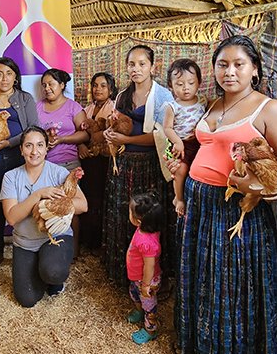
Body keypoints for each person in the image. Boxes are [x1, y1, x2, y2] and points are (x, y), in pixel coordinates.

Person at [173, 35, 277, 354]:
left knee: (232, 283)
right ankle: (203, 347)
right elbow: (206, 147)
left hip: (237, 209)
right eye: (222, 64)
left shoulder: (269, 109)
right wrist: (183, 160)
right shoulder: (213, 105)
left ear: (254, 69)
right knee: (205, 277)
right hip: (200, 202)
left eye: (238, 64)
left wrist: (253, 187)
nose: (229, 71)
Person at [102, 45, 173, 287]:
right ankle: (126, 273)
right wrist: (111, 134)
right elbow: (117, 125)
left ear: (153, 66)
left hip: (151, 165)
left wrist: (127, 140)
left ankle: (151, 278)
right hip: (124, 164)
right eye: (132, 64)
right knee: (125, 214)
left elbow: (162, 135)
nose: (136, 69)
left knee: (148, 218)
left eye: (142, 64)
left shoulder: (163, 97)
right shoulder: (122, 96)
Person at [0, 126, 87, 308]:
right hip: (25, 242)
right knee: (27, 299)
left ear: (47, 149)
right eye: (29, 146)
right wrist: (38, 195)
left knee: (53, 272)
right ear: (21, 149)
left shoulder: (59, 173)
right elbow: (12, 218)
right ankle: (38, 269)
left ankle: (52, 276)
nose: (34, 151)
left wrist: (58, 206)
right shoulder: (11, 177)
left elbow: (83, 205)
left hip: (55, 237)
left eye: (40, 145)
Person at [0, 57, 40, 271]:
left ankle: (25, 247)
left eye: (9, 73)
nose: (4, 78)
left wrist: (7, 143)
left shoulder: (25, 98)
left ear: (16, 77)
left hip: (18, 158)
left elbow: (33, 129)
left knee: (23, 201)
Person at [36, 68, 88, 255]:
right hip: (45, 166)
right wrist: (46, 141)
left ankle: (72, 251)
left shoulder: (73, 107)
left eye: (51, 84)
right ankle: (52, 249)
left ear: (62, 85)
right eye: (44, 85)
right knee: (49, 208)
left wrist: (63, 139)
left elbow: (85, 133)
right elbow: (34, 134)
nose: (47, 88)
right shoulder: (37, 107)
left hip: (69, 166)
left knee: (71, 208)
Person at [77, 72, 117, 252]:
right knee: (87, 198)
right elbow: (81, 135)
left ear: (110, 89)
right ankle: (87, 240)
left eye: (103, 85)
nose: (98, 89)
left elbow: (110, 135)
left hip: (104, 162)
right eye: (95, 85)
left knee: (101, 199)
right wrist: (80, 146)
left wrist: (94, 140)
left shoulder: (115, 108)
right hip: (88, 163)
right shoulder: (86, 109)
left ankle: (99, 242)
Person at [162, 59, 206, 218]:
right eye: (179, 84)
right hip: (181, 144)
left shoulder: (203, 102)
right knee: (181, 169)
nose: (186, 88)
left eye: (190, 83)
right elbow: (167, 128)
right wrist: (177, 142)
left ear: (199, 83)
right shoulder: (172, 106)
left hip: (200, 144)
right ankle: (178, 198)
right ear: (171, 85)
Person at [125, 192, 162, 345]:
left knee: (149, 306)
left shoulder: (147, 242)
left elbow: (150, 265)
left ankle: (150, 329)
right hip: (137, 278)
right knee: (134, 295)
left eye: (130, 212)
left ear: (138, 220)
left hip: (145, 280)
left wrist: (146, 285)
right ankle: (139, 311)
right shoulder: (145, 229)